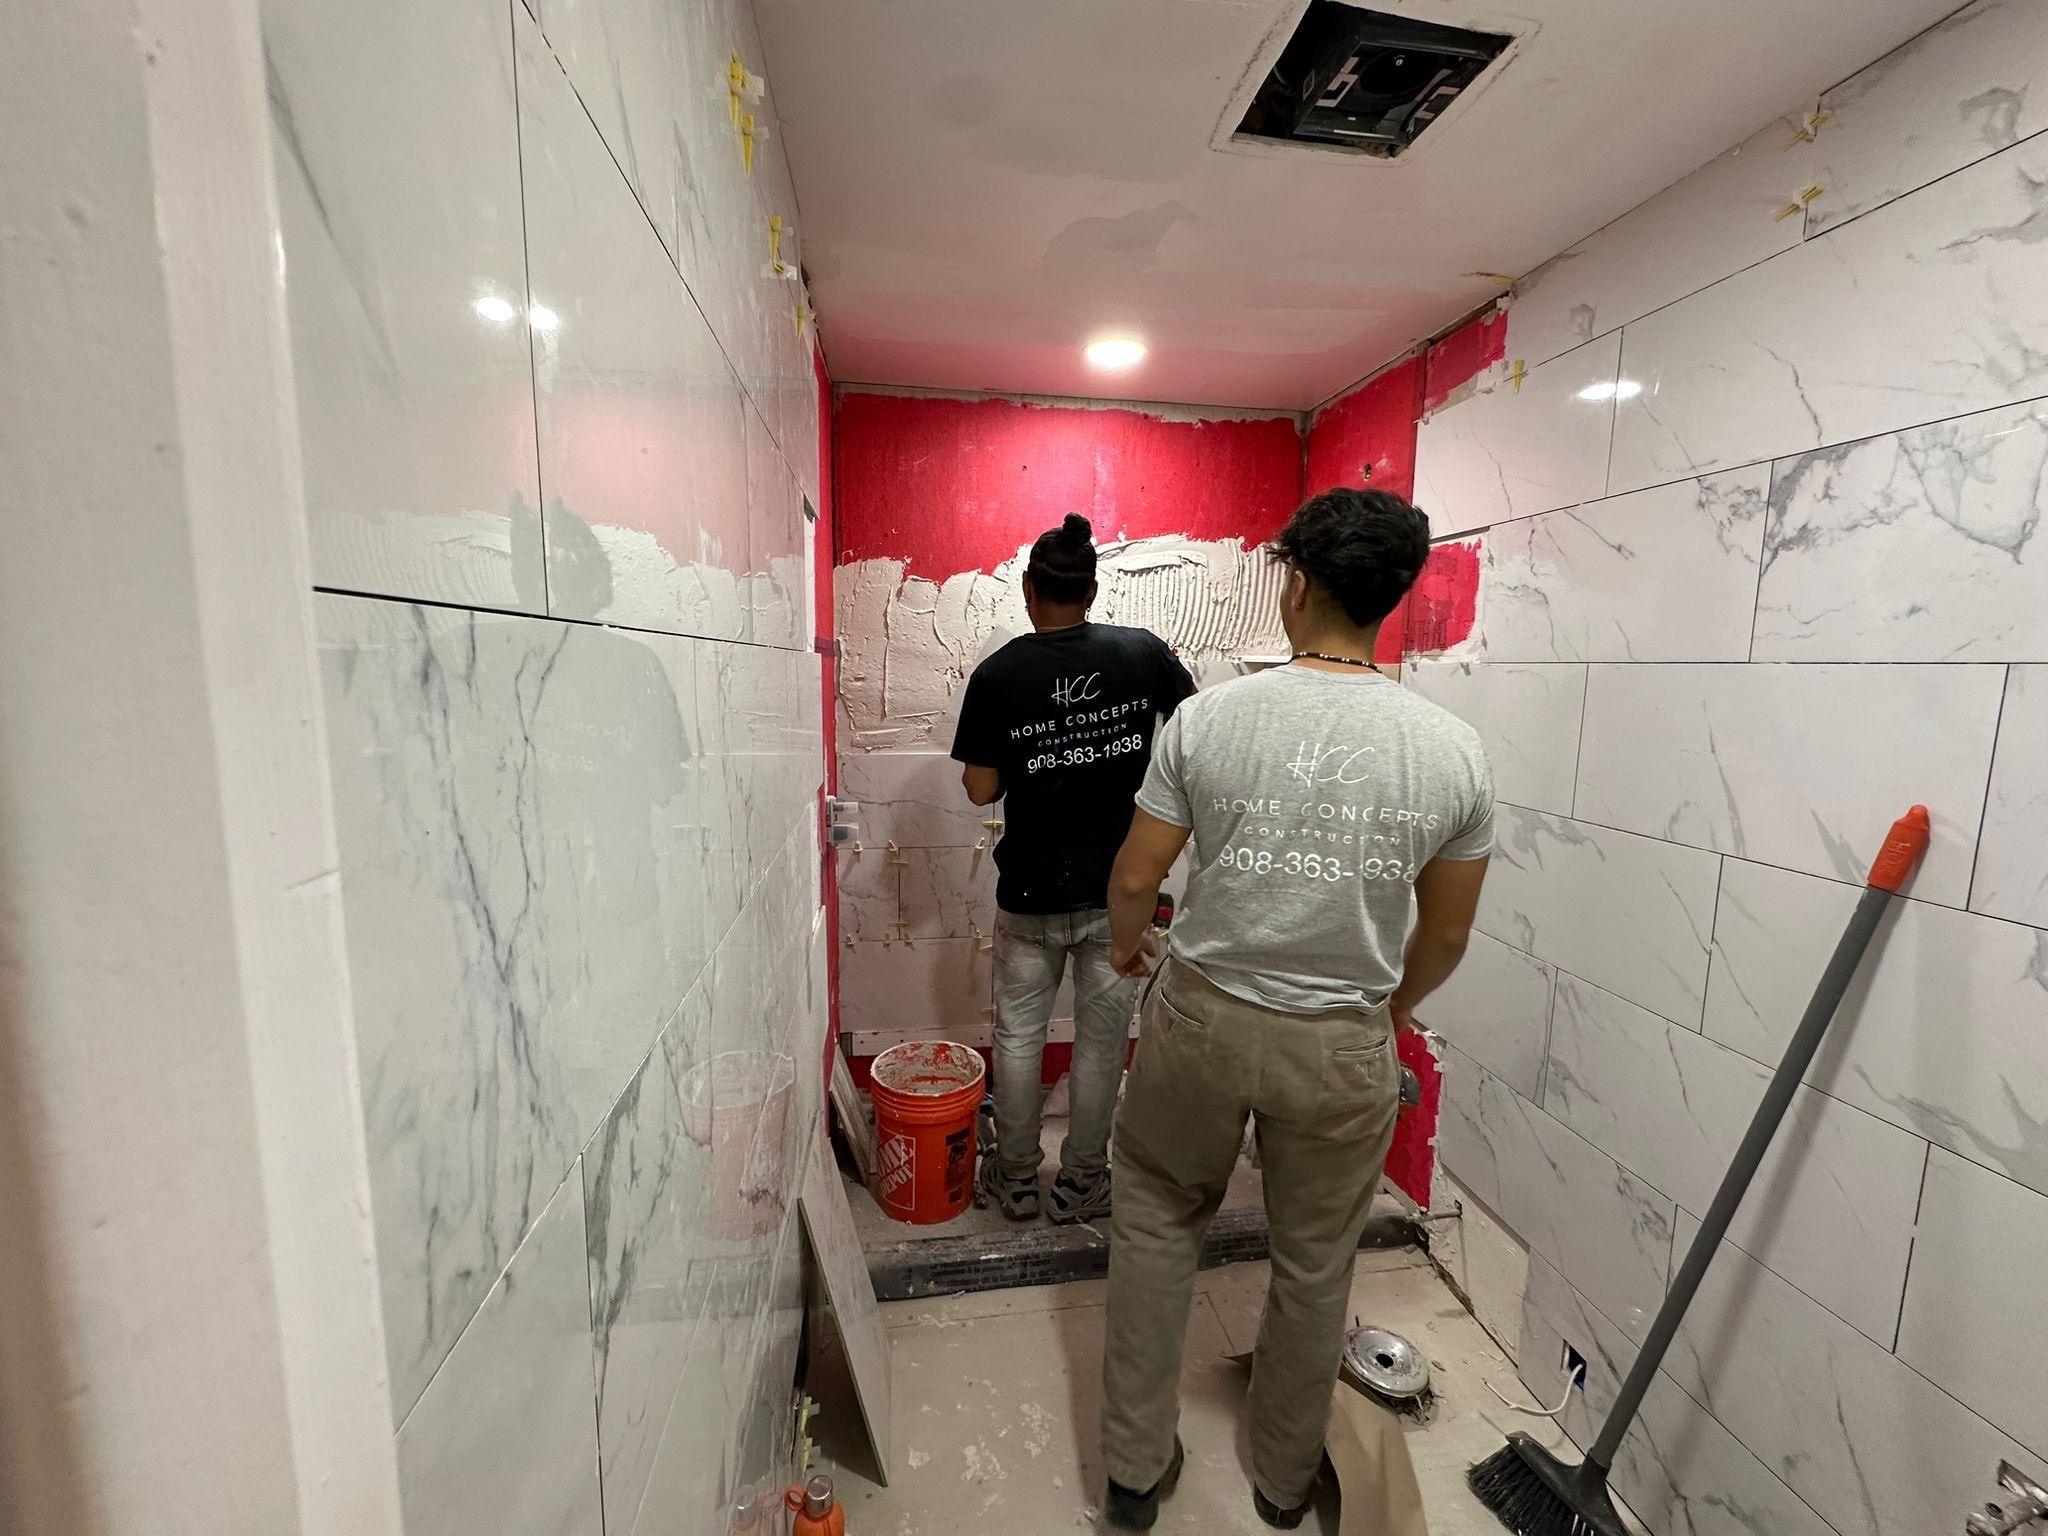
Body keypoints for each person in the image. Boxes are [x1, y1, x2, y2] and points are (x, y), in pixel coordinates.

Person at [1095, 488, 1494, 1531]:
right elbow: (1445, 935)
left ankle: (1133, 1473)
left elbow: (1136, 877)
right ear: (1390, 599)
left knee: (1152, 1216)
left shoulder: (1209, 720)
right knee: (1314, 1260)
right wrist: (1380, 1010)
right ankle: (1279, 1482)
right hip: (1341, 1041)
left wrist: (1127, 947)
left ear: (1297, 583)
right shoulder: (1451, 753)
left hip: (1201, 1019)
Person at [951, 514, 1197, 1225]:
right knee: (1098, 1044)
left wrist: (1038, 754)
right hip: (1119, 893)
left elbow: (978, 789)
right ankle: (1084, 1180)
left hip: (1028, 892)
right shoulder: (1142, 653)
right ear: (1091, 590)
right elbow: (1194, 733)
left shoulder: (999, 674)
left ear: (1030, 590)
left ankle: (1019, 1180)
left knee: (1021, 1040)